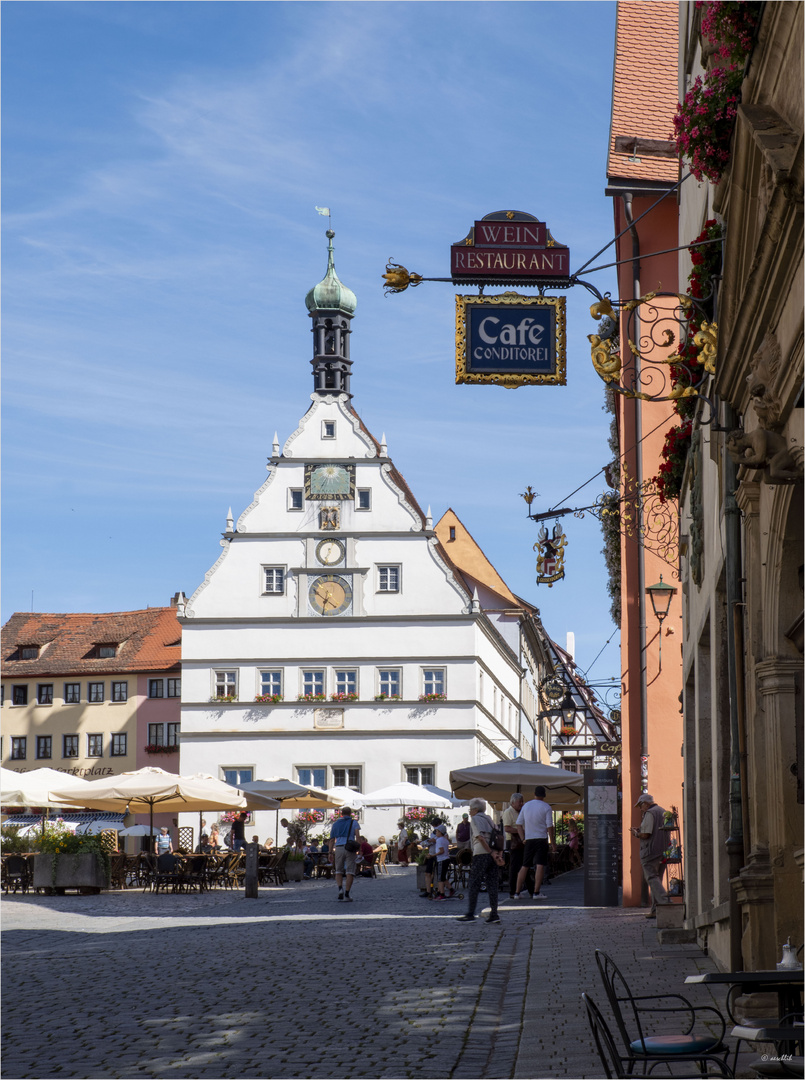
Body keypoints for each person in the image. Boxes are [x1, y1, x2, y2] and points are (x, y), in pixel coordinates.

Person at [456, 798, 503, 923]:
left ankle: (470, 913)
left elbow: (480, 838)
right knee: (492, 884)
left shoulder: (475, 819)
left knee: (474, 883)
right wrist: (497, 854)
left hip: (481, 854)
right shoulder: (489, 819)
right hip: (492, 854)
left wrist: (490, 852)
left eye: (470, 809)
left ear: (475, 810)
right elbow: (499, 837)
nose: (470, 812)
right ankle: (494, 913)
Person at [631, 793, 669, 918]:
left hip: (650, 852)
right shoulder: (663, 811)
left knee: (652, 878)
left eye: (640, 806)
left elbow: (646, 834)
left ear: (645, 804)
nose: (640, 809)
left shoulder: (649, 813)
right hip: (663, 851)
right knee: (657, 879)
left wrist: (636, 833)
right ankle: (655, 910)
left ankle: (666, 902)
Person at [513, 786, 556, 900]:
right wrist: (553, 842)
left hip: (529, 839)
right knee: (540, 865)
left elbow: (518, 824)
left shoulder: (526, 805)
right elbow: (549, 826)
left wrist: (523, 838)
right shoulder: (546, 807)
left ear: (534, 794)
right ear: (544, 795)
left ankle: (517, 892)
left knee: (525, 865)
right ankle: (536, 892)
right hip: (541, 838)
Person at [329, 806, 360, 902]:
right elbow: (358, 837)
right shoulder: (354, 822)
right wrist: (360, 850)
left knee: (338, 870)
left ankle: (339, 889)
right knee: (350, 871)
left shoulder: (335, 824)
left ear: (341, 813)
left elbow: (331, 840)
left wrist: (330, 852)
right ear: (350, 813)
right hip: (350, 848)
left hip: (338, 848)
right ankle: (347, 893)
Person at [502, 793, 525, 899]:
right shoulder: (508, 812)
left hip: (521, 841)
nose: (521, 803)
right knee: (515, 867)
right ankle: (513, 891)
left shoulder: (521, 812)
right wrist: (520, 831)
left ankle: (525, 889)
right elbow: (507, 828)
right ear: (512, 802)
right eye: (519, 801)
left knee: (524, 865)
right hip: (513, 841)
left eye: (522, 801)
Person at [432, 824, 453, 901]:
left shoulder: (439, 840)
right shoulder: (445, 840)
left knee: (440, 879)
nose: (436, 832)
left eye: (437, 831)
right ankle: (451, 889)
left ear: (440, 832)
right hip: (446, 859)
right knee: (443, 877)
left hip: (441, 860)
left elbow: (441, 851)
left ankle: (442, 894)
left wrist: (433, 855)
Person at [421, 827, 439, 899]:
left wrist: (433, 840)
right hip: (431, 855)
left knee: (438, 874)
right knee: (427, 873)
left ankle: (440, 890)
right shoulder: (432, 833)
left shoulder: (443, 833)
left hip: (438, 855)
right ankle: (428, 891)